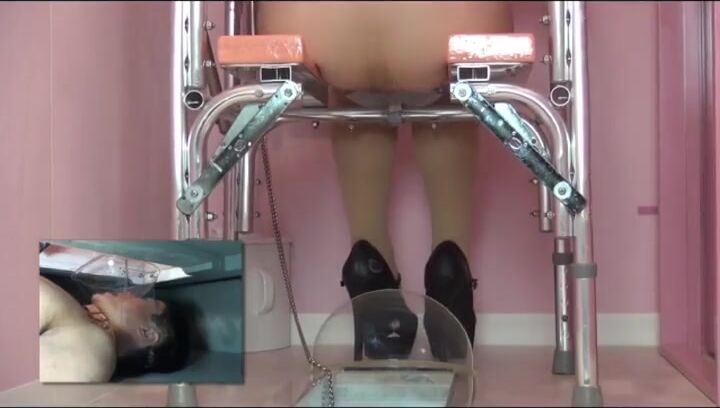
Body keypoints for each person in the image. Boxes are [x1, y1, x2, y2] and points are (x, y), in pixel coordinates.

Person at [256, 1, 514, 358]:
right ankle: (450, 268)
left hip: (316, 29)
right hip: (440, 27)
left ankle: (369, 262)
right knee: (455, 85)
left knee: (351, 92)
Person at [39, 275, 190, 382]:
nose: (129, 293)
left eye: (145, 300)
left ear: (147, 333)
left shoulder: (91, 360)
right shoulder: (85, 327)